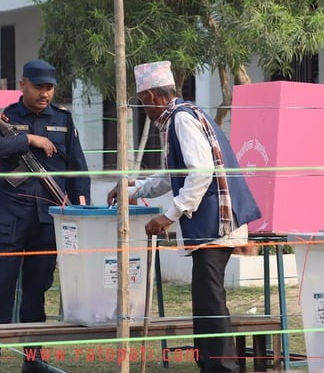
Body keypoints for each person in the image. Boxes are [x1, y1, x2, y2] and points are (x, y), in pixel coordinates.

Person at [106, 61, 261, 373]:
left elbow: (200, 173)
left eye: (142, 102)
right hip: (214, 222)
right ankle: (212, 364)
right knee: (206, 296)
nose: (144, 110)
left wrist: (168, 215)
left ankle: (221, 367)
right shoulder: (181, 115)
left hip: (218, 222)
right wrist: (133, 189)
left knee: (210, 297)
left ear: (150, 96)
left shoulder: (181, 119)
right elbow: (173, 174)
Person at [0, 60, 91, 373]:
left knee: (37, 290)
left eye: (49, 88)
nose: (44, 94)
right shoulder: (4, 116)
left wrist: (81, 211)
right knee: (0, 288)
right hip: (11, 216)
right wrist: (27, 140)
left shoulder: (63, 120)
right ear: (23, 85)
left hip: (48, 218)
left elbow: (78, 170)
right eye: (38, 87)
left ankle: (33, 358)